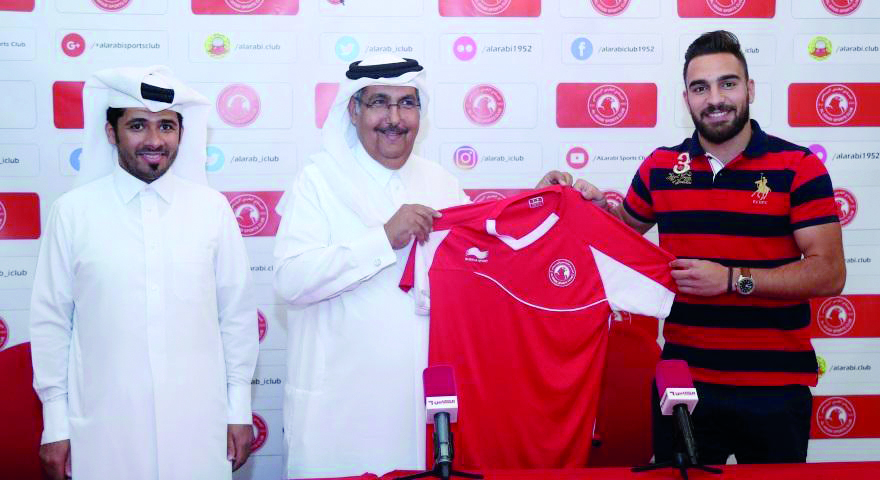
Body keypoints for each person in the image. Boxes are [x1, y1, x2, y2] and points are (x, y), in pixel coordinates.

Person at [547, 31, 845, 464]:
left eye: (728, 83)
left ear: (750, 89)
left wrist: (731, 280)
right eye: (700, 88)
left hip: (775, 390)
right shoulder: (662, 167)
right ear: (686, 98)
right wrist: (591, 208)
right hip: (682, 385)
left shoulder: (799, 167)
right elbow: (622, 235)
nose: (715, 98)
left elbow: (830, 273)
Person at [29, 66, 258, 480]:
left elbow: (236, 318)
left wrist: (238, 408)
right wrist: (56, 423)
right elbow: (51, 324)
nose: (155, 141)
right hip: (103, 432)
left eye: (166, 126)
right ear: (110, 133)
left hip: (197, 430)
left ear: (181, 134)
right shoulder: (73, 213)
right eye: (138, 125)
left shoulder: (212, 211)